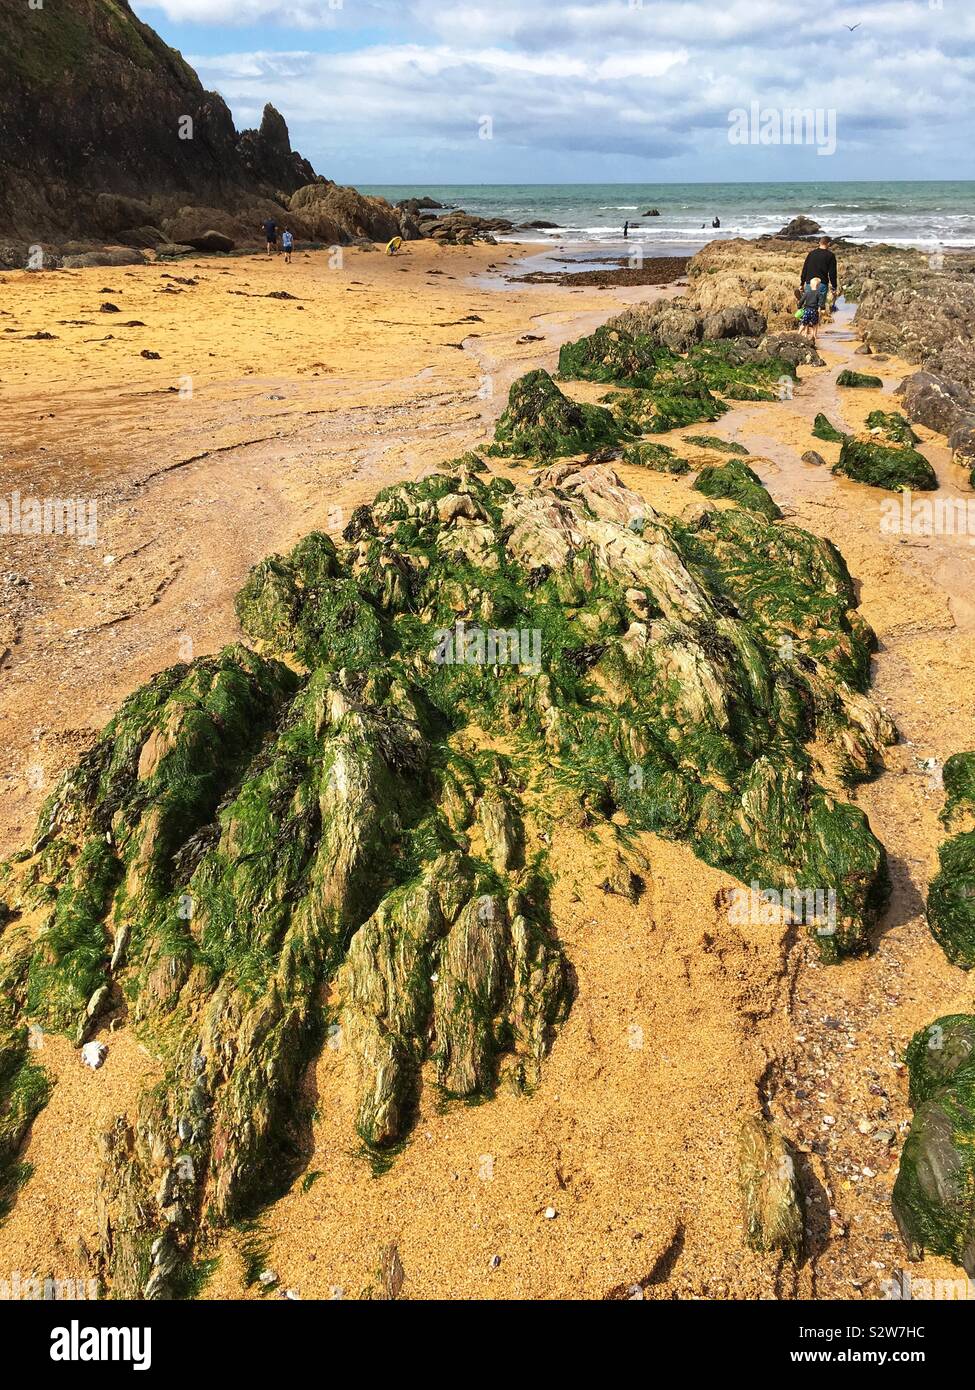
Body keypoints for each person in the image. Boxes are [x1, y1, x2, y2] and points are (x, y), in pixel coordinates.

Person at [800, 235, 838, 312]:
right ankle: (819, 322)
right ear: (829, 244)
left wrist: (801, 283)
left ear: (819, 243)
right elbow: (832, 273)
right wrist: (834, 286)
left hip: (809, 284)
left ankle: (806, 322)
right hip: (822, 284)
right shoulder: (830, 255)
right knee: (821, 308)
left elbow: (805, 269)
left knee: (809, 306)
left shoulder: (811, 254)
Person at [798, 277, 822, 343]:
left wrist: (799, 307)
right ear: (818, 286)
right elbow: (820, 303)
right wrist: (820, 309)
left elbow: (801, 300)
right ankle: (814, 336)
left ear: (811, 285)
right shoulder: (819, 293)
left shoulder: (807, 293)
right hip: (814, 311)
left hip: (807, 310)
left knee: (803, 323)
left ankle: (798, 334)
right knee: (815, 324)